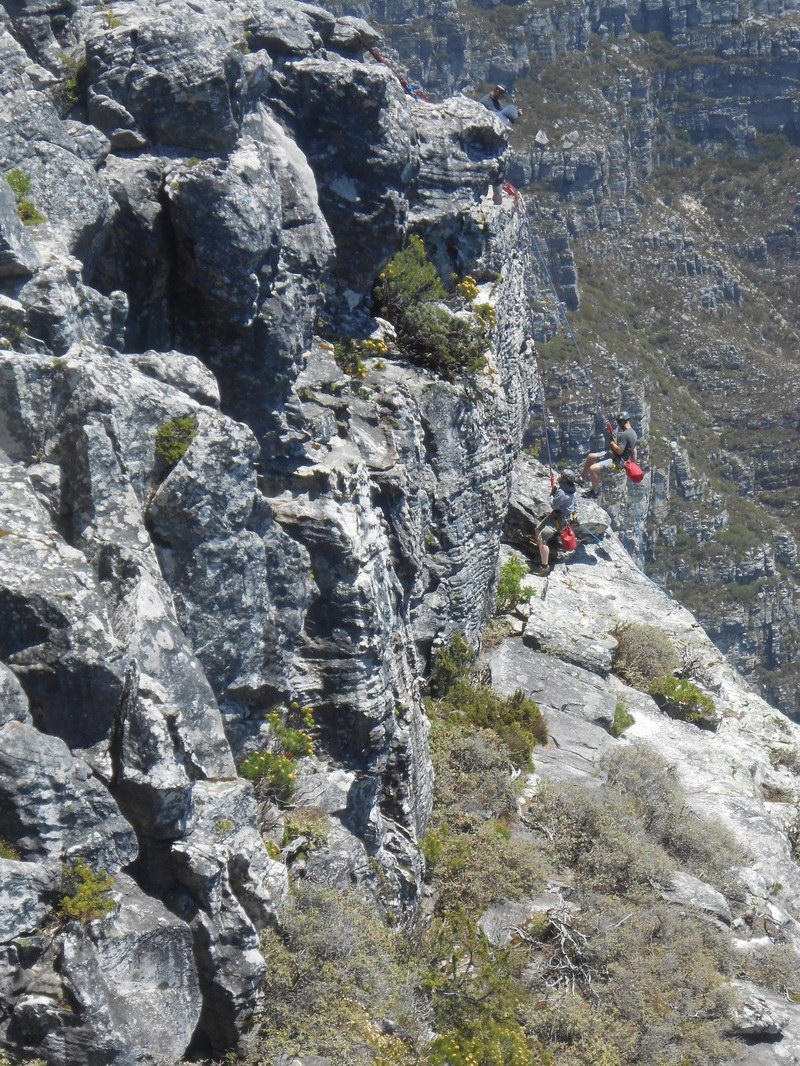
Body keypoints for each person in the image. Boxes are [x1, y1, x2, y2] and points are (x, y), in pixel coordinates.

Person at [581, 412, 637, 498]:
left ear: (622, 422)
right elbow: (634, 452)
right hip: (617, 457)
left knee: (592, 469)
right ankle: (582, 480)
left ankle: (594, 492)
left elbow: (619, 451)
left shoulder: (624, 435)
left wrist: (612, 443)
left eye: (619, 423)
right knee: (590, 456)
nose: (618, 425)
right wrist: (633, 465)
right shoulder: (633, 433)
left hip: (617, 461)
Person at [534, 469, 578, 575]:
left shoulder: (561, 492)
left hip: (558, 519)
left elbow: (553, 505)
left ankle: (544, 566)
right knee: (538, 529)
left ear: (563, 479)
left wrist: (552, 494)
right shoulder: (571, 490)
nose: (558, 476)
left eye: (561, 475)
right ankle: (541, 549)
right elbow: (574, 503)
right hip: (559, 516)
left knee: (542, 538)